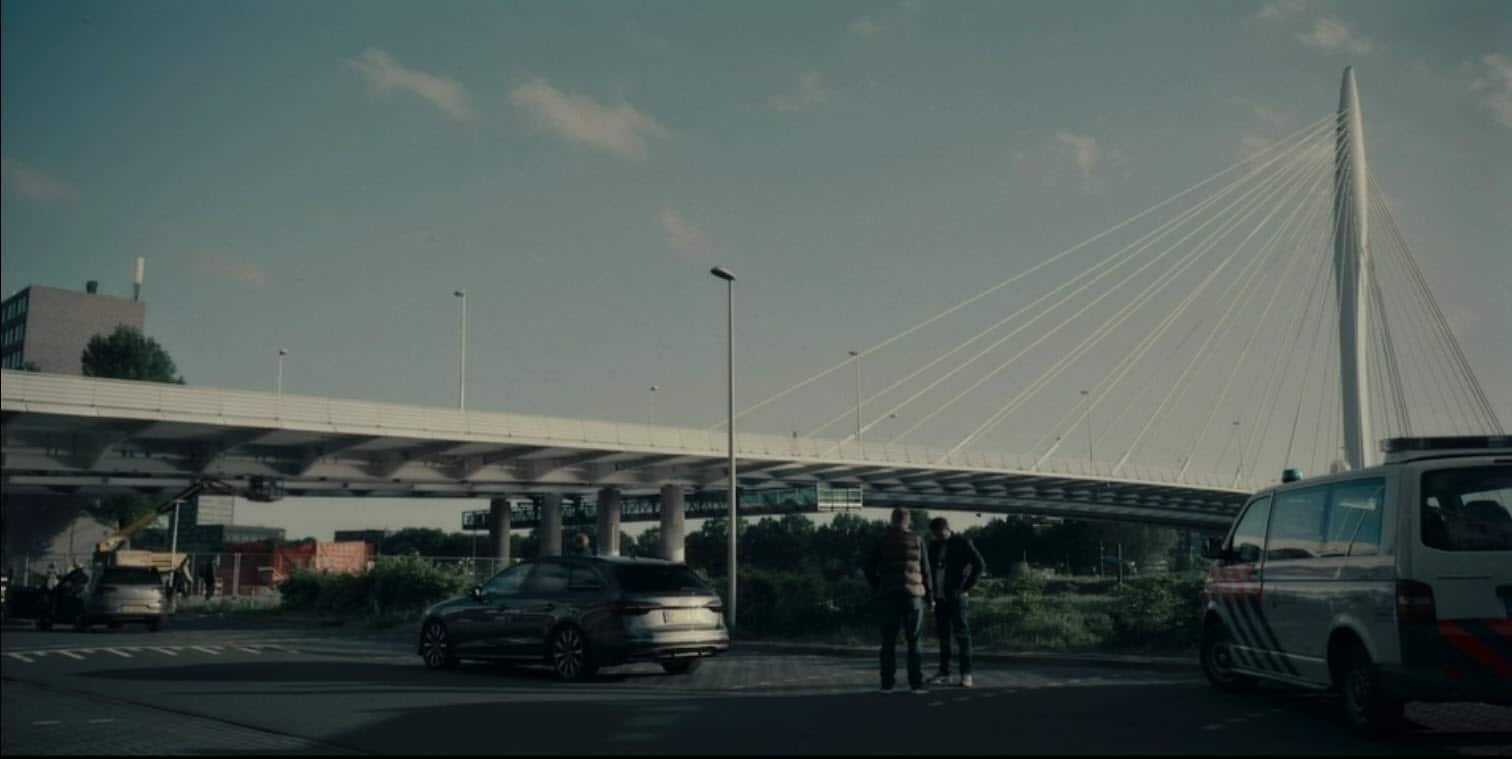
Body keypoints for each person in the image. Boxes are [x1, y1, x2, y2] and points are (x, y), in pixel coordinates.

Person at [864, 508, 935, 694]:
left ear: (892, 520)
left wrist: (878, 586)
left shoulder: (881, 540)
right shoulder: (917, 539)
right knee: (914, 641)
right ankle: (916, 684)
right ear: (908, 521)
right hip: (913, 596)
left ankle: (887, 684)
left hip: (889, 594)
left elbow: (868, 567)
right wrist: (930, 597)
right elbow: (926, 570)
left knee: (888, 642)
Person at [926, 517, 986, 688]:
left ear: (947, 529)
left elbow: (980, 565)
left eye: (940, 533)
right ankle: (944, 672)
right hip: (939, 597)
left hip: (957, 597)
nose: (938, 537)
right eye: (935, 534)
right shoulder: (934, 545)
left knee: (962, 636)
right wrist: (930, 594)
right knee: (943, 636)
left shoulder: (962, 542)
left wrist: (965, 587)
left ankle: (966, 674)